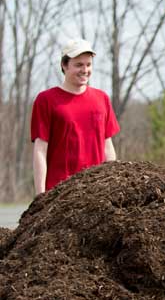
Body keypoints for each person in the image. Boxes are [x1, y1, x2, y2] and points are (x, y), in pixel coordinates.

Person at [31, 39, 120, 194]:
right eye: (79, 65)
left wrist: (111, 188)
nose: (85, 70)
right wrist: (40, 195)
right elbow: (40, 149)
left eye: (88, 64)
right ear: (64, 65)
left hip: (96, 193)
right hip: (59, 193)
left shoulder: (102, 99)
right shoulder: (46, 100)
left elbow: (108, 147)